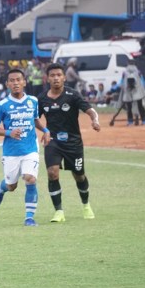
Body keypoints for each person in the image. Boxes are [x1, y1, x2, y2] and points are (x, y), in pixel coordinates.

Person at [37, 63, 101, 223]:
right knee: (52, 173)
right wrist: (44, 131)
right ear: (47, 78)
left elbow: (90, 110)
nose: (56, 78)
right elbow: (34, 118)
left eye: (59, 75)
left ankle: (86, 205)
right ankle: (59, 211)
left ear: (64, 77)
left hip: (73, 143)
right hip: (53, 141)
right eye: (52, 75)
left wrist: (95, 120)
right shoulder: (42, 99)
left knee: (79, 176)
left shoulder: (73, 95)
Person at [0, 68, 50, 226]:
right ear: (7, 84)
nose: (16, 83)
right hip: (11, 151)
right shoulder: (2, 105)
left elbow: (35, 120)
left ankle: (29, 218)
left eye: (18, 80)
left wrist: (45, 130)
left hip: (30, 148)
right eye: (12, 80)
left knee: (30, 179)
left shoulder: (33, 101)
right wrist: (9, 132)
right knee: (12, 185)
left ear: (24, 82)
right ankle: (2, 188)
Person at [119, 59, 145, 126]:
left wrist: (121, 87)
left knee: (129, 107)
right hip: (137, 90)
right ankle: (144, 120)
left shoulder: (124, 72)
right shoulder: (138, 72)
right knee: (140, 106)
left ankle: (130, 122)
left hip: (128, 91)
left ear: (127, 63)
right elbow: (143, 82)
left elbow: (121, 82)